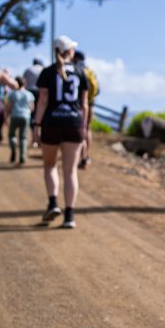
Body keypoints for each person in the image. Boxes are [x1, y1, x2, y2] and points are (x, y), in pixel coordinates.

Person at [35, 35, 88, 229]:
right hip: (74, 123)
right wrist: (84, 128)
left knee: (50, 166)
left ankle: (52, 203)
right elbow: (84, 104)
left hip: (52, 122)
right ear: (69, 51)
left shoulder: (48, 72)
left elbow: (42, 101)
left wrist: (36, 126)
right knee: (70, 171)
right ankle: (70, 215)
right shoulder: (81, 73)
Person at [73, 50, 99, 169]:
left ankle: (81, 157)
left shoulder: (76, 70)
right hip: (91, 103)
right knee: (87, 129)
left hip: (79, 104)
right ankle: (87, 154)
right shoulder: (90, 71)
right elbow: (98, 90)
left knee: (79, 129)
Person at [5, 75, 34, 165]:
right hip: (25, 116)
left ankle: (13, 149)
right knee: (23, 137)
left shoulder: (13, 94)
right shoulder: (29, 94)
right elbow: (32, 107)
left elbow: (8, 107)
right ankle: (22, 156)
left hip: (15, 116)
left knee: (11, 135)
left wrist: (6, 117)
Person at [23, 58, 43, 148]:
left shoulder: (28, 69)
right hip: (40, 93)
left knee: (32, 115)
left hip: (30, 92)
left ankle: (34, 137)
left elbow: (24, 82)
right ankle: (39, 138)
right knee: (40, 115)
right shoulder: (43, 69)